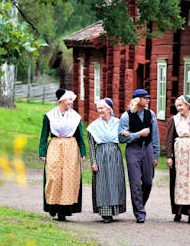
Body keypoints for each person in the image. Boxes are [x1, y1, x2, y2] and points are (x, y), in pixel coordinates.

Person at [39, 88, 87, 222]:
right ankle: (52, 207)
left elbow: (79, 136)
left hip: (71, 148)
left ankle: (64, 212)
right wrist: (42, 151)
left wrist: (83, 151)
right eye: (69, 100)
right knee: (54, 177)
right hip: (55, 146)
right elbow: (44, 136)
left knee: (68, 178)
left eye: (72, 100)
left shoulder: (75, 117)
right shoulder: (49, 116)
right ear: (61, 101)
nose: (71, 102)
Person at [118, 89, 160, 223]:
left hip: (147, 150)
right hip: (133, 151)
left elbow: (155, 136)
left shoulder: (150, 114)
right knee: (135, 183)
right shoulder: (126, 116)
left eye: (148, 97)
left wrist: (155, 155)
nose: (148, 99)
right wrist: (137, 134)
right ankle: (140, 213)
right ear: (137, 99)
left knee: (148, 182)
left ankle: (139, 205)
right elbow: (121, 138)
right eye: (145, 97)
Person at [86, 98, 126, 223]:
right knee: (102, 183)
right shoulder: (94, 126)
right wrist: (93, 162)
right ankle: (105, 213)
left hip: (115, 154)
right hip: (101, 155)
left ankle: (115, 210)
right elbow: (91, 146)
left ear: (109, 109)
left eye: (102, 108)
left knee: (115, 181)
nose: (100, 110)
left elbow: (125, 137)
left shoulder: (118, 123)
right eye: (98, 108)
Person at [166, 95, 190, 224]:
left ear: (188, 105)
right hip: (179, 154)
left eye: (181, 105)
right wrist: (169, 156)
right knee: (179, 182)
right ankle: (178, 211)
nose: (179, 108)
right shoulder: (174, 120)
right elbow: (169, 139)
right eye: (177, 105)